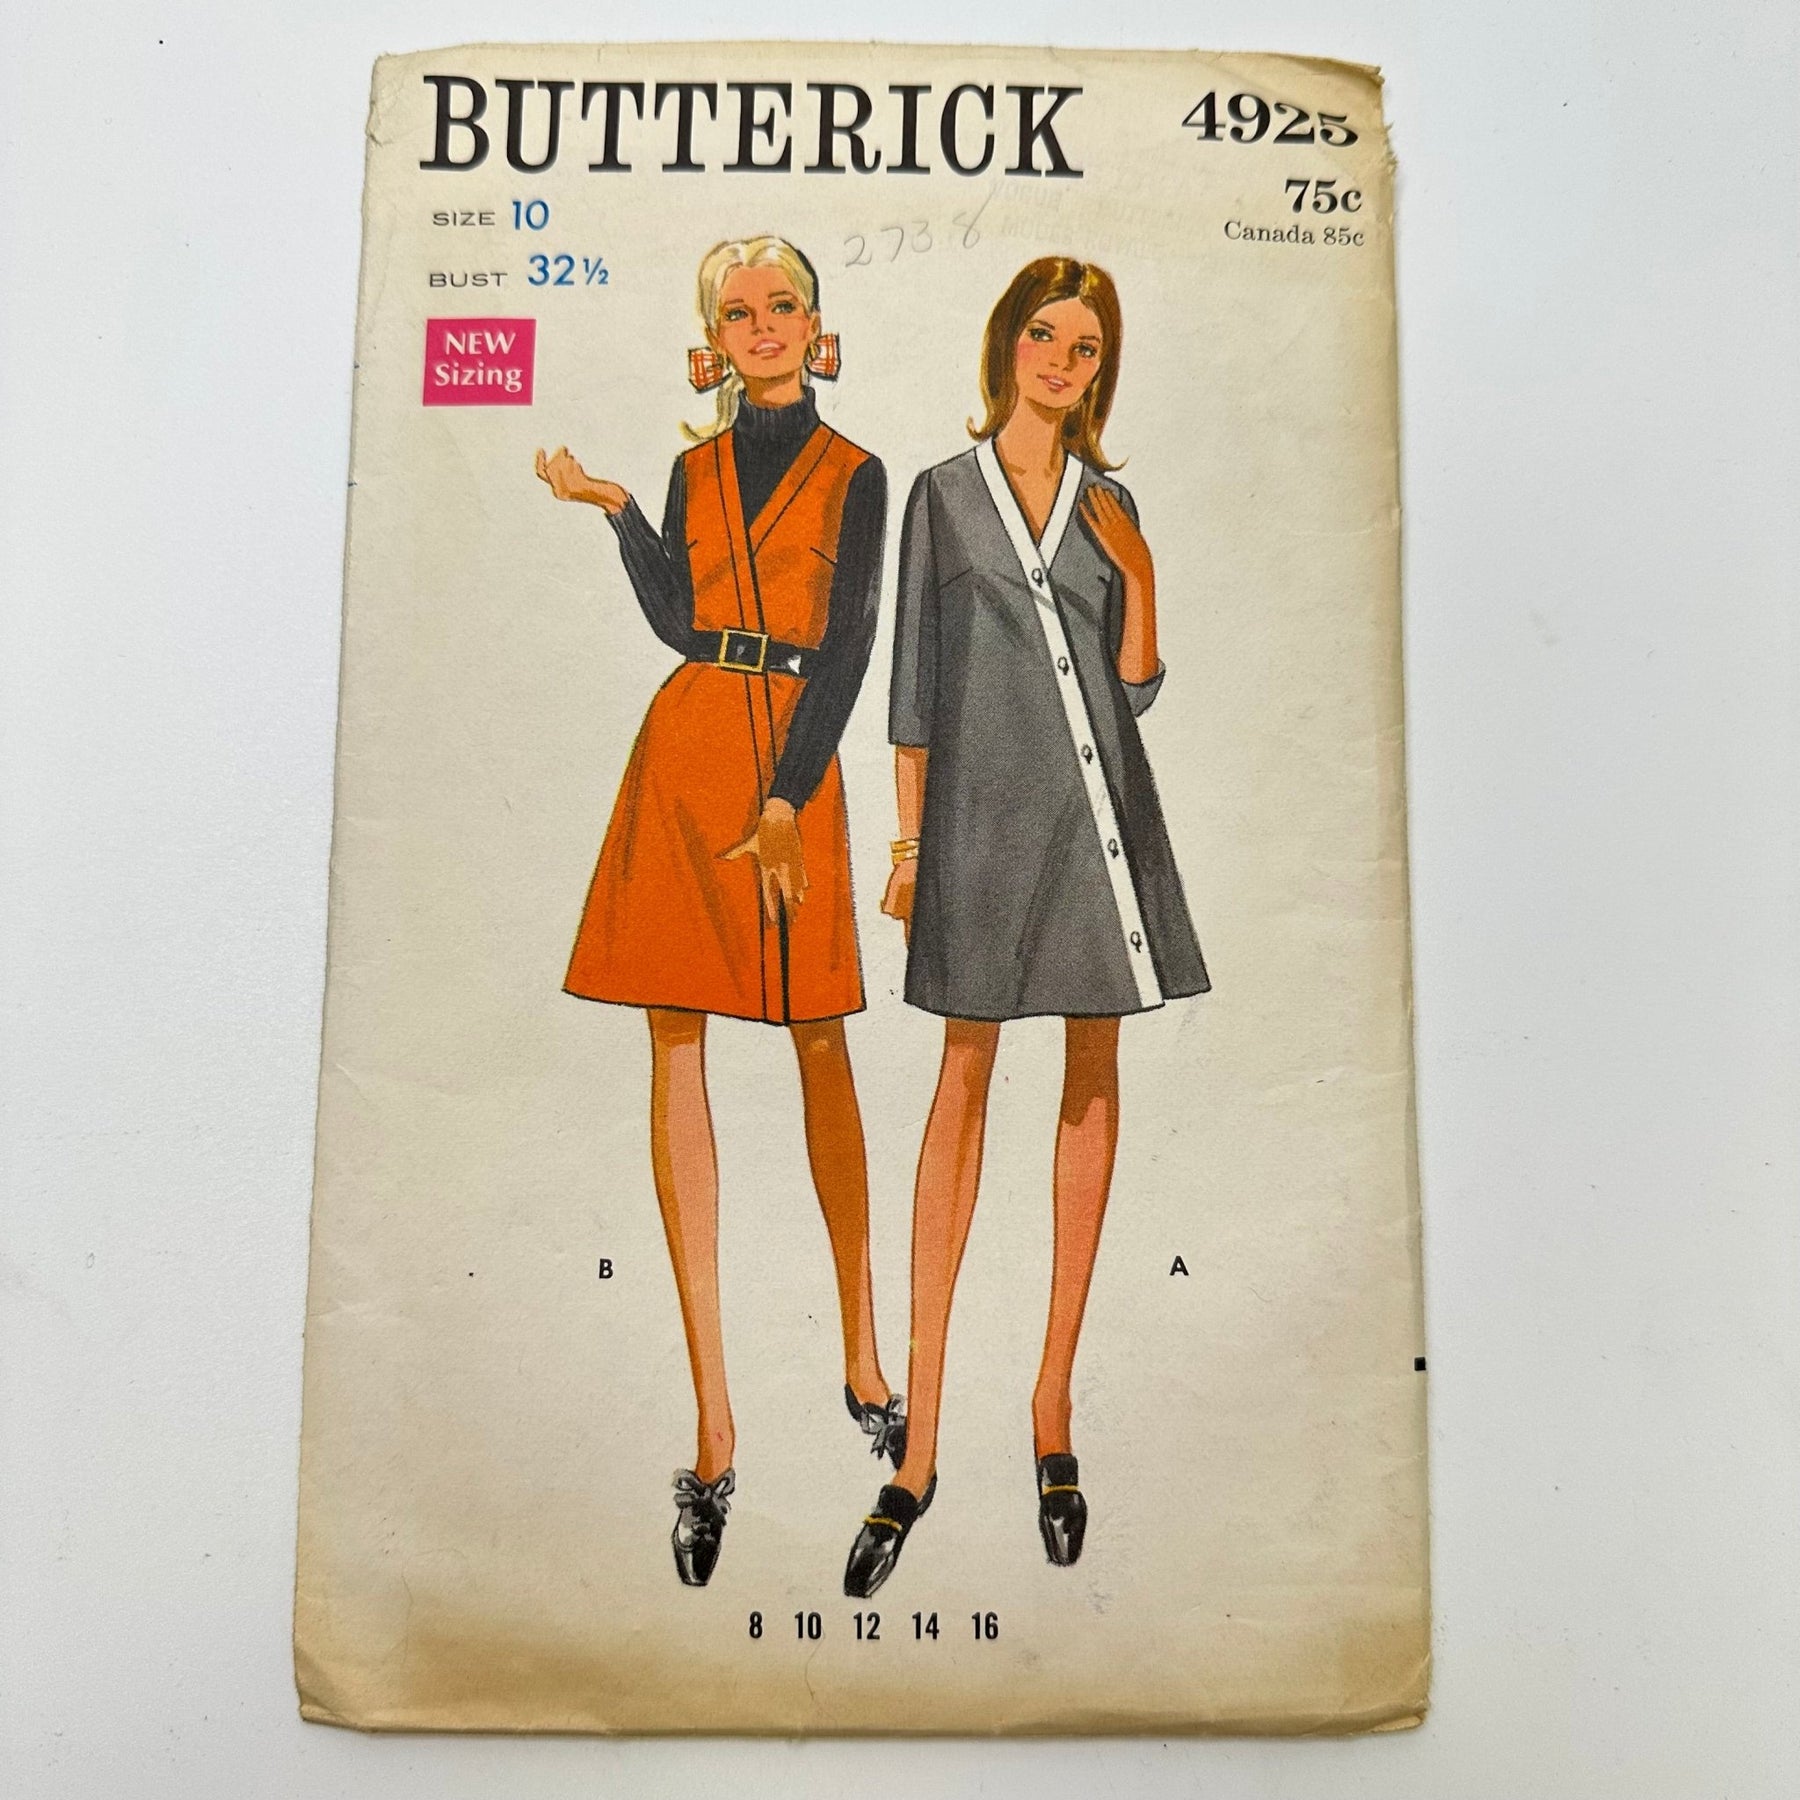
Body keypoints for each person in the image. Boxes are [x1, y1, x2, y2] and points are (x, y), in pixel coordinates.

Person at [535, 235, 902, 1588]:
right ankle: (712, 1431)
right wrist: (619, 511)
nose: (762, 326)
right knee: (674, 1042)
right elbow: (683, 624)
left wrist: (793, 797)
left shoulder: (860, 473)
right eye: (738, 311)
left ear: (816, 325)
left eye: (782, 305)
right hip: (687, 748)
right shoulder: (694, 474)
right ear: (714, 338)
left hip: (792, 765)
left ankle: (864, 1356)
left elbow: (850, 646)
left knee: (820, 1040)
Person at [843, 256, 1210, 1598]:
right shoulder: (941, 496)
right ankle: (919, 1450)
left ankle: (1053, 1410)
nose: (1063, 360)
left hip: (1098, 824)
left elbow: (1137, 686)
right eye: (1046, 335)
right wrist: (907, 849)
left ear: (1103, 371)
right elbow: (913, 690)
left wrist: (1142, 572)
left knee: (1093, 1070)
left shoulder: (1113, 505)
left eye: (1087, 347)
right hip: (980, 832)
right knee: (963, 1078)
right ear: (1007, 344)